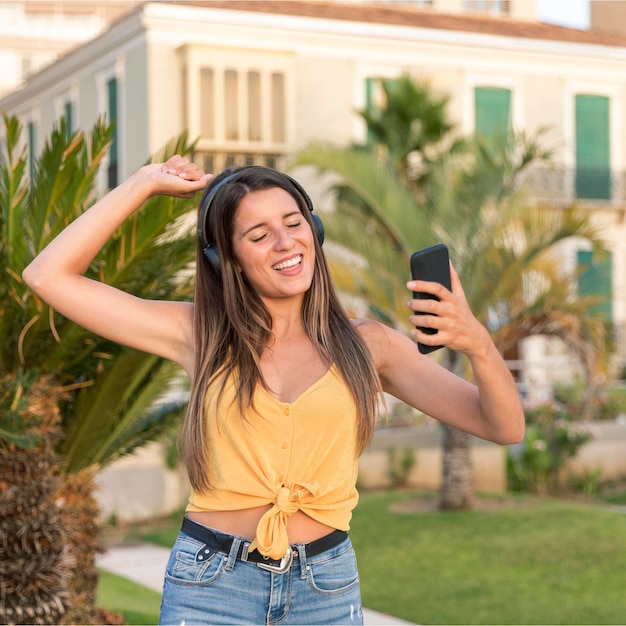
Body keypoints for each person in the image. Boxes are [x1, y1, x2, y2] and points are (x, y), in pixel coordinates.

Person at [23, 155, 524, 625]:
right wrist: (144, 183)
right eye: (259, 235)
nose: (285, 244)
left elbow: (502, 425)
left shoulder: (369, 345)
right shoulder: (200, 334)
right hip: (211, 585)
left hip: (325, 587)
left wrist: (478, 343)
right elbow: (47, 276)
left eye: (293, 223)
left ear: (314, 230)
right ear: (229, 260)